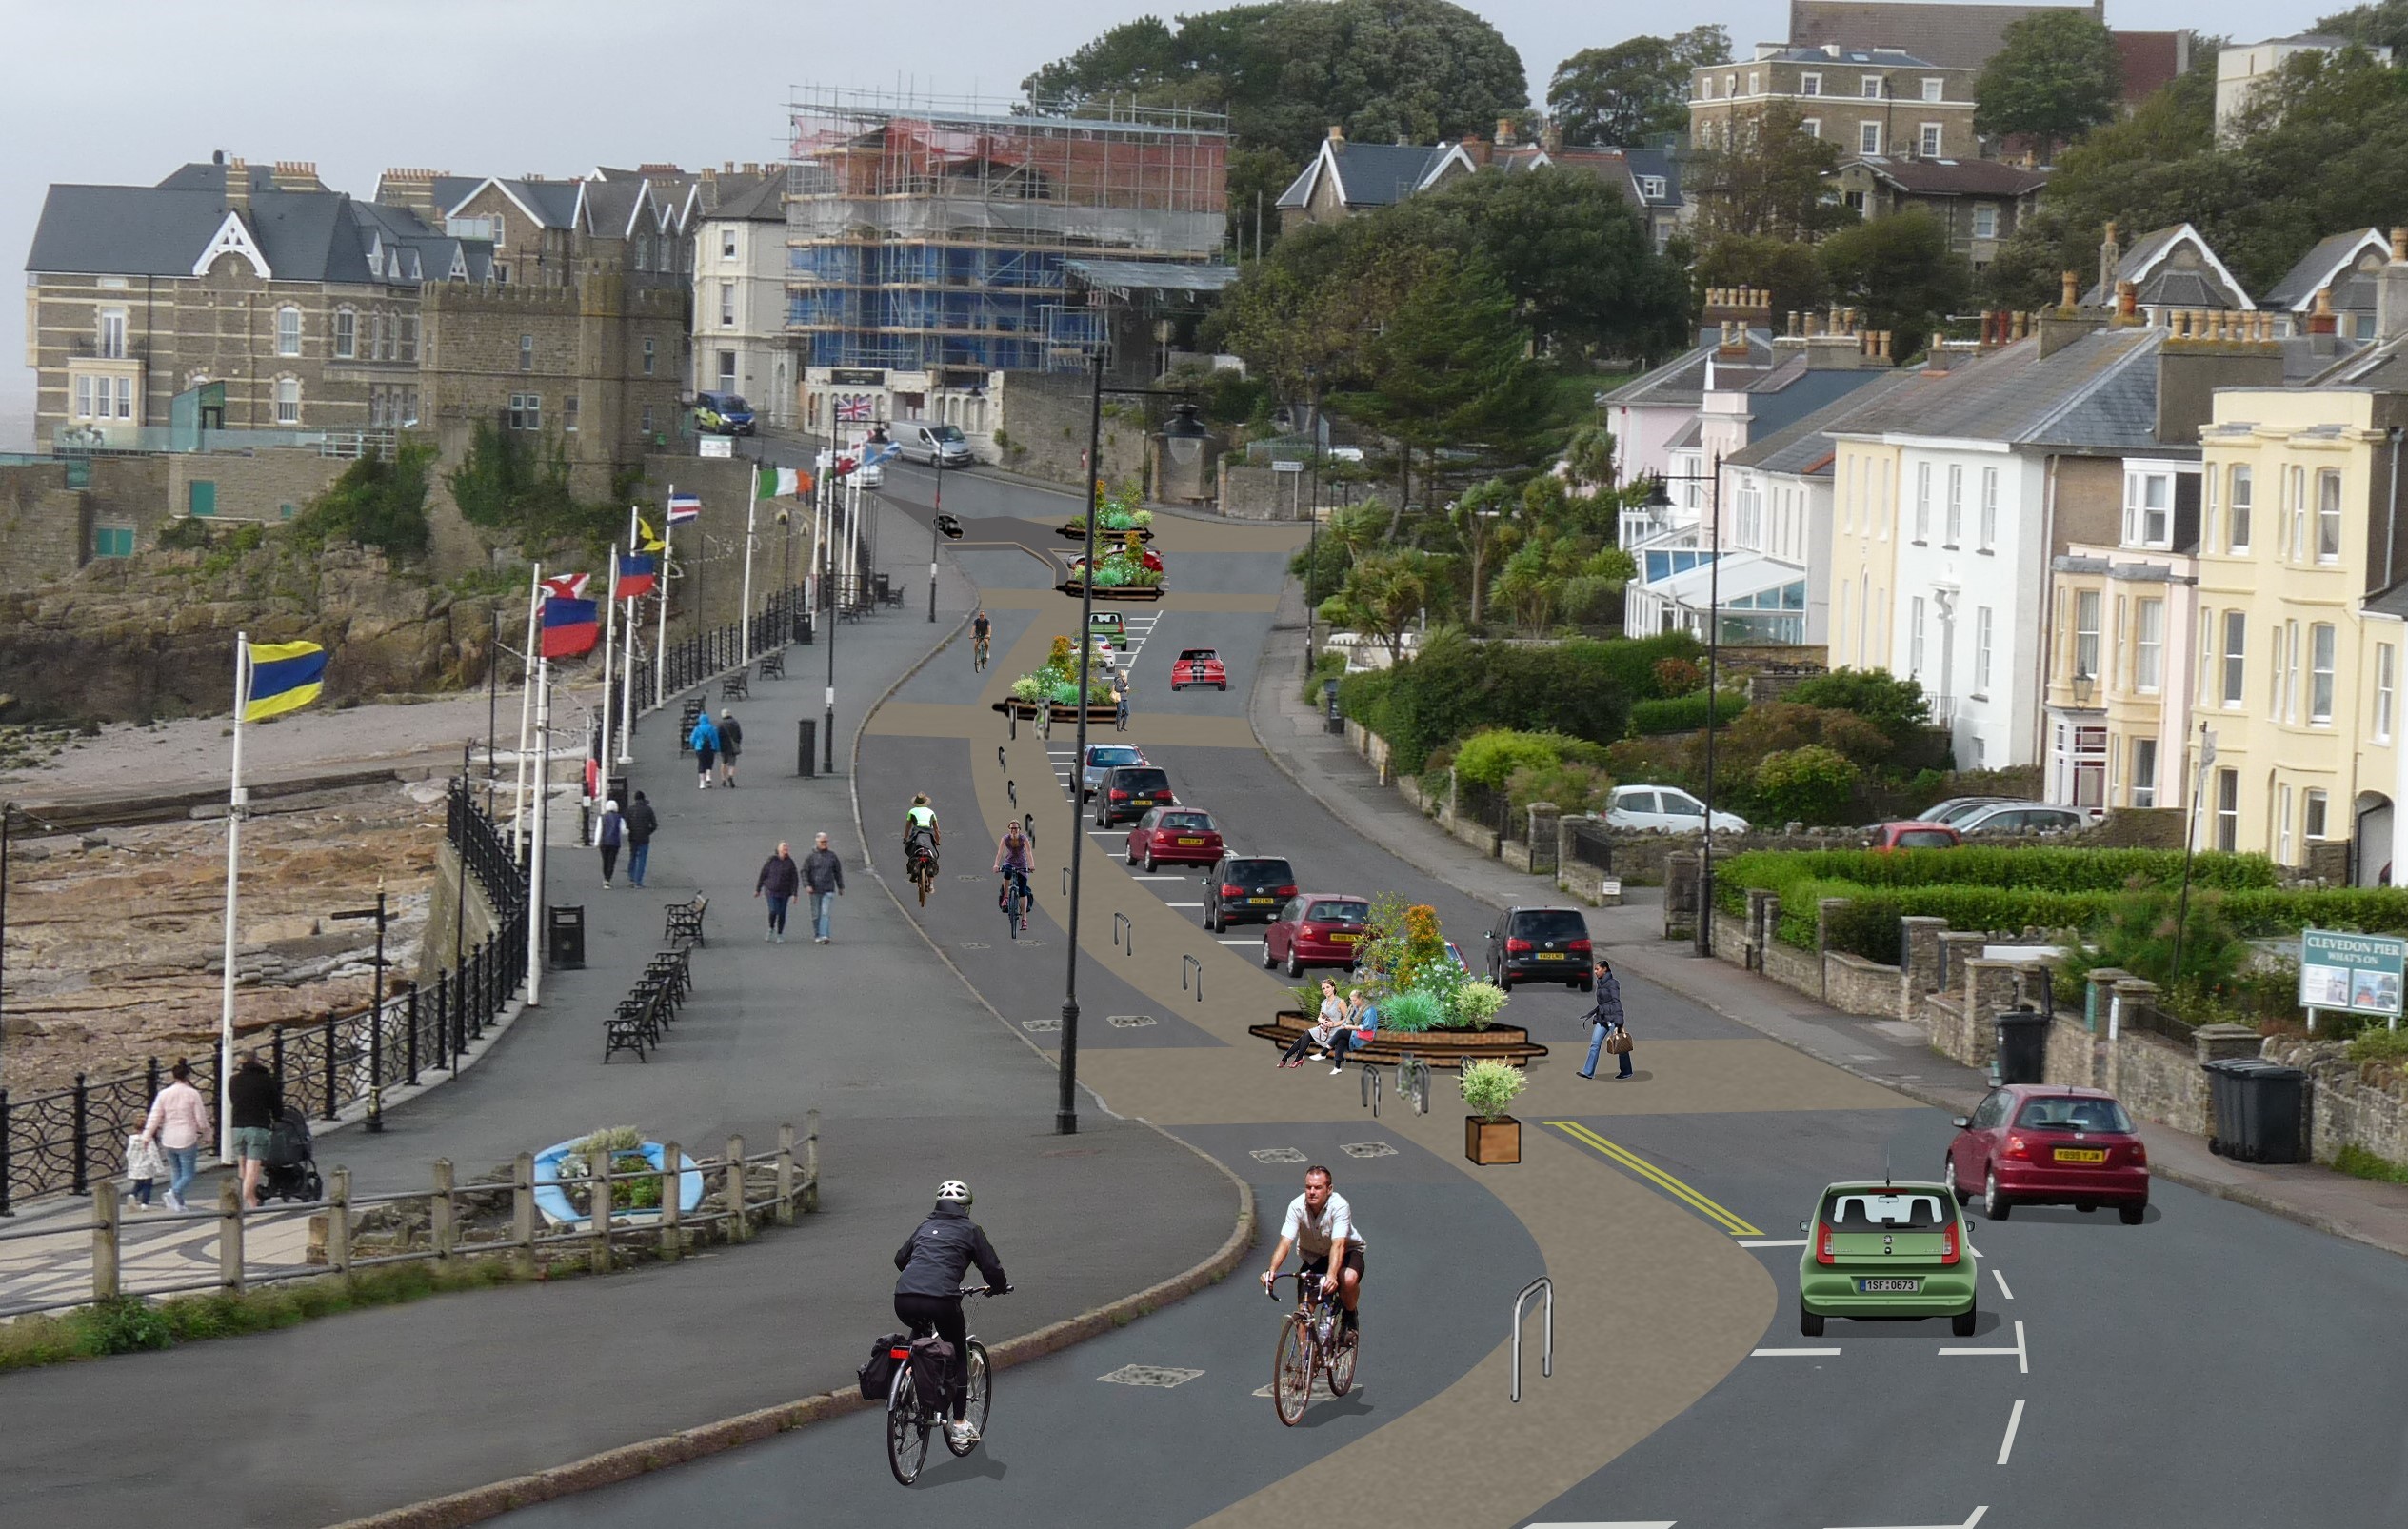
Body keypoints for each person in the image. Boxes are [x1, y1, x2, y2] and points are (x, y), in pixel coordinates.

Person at [893, 1180, 1010, 1450]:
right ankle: (958, 1425)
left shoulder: (924, 1227)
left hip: (904, 1298)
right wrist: (1000, 1287)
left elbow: (901, 1260)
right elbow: (991, 1268)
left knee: (917, 1337)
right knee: (958, 1353)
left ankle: (906, 1379)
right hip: (942, 1299)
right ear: (965, 1208)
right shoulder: (970, 1230)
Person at [1259, 1164, 1363, 1341]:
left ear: (1329, 1189)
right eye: (1308, 1187)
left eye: (1317, 1187)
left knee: (1348, 1278)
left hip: (1346, 1253)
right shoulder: (1296, 1206)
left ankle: (1350, 1316)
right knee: (1304, 1314)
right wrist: (1272, 1270)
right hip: (1315, 1258)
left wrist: (1331, 1275)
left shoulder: (1339, 1206)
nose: (1312, 1192)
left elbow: (1338, 1245)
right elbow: (1285, 1242)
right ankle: (1306, 1364)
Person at [141, 1059, 210, 1212]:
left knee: (175, 1171)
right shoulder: (192, 1094)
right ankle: (174, 1193)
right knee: (188, 1173)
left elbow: (155, 1116)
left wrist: (146, 1135)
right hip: (186, 1136)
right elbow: (201, 1119)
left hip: (168, 1136)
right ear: (188, 1075)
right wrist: (207, 1133)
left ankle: (178, 1203)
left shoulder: (163, 1094)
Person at [227, 1049, 281, 1209]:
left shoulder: (234, 1080)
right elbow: (275, 1104)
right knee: (253, 1166)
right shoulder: (265, 1080)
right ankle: (243, 1199)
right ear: (257, 1060)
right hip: (257, 1125)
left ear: (241, 1062)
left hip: (237, 1125)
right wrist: (277, 1117)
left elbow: (233, 1100)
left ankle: (251, 1200)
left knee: (242, 1164)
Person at [1579, 959, 1632, 1080]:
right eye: (1595, 969)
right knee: (1595, 1044)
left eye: (1597, 969)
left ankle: (1626, 1071)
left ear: (1605, 969)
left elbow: (1616, 1002)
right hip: (1602, 1018)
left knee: (1620, 1044)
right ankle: (1588, 1072)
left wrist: (1619, 1023)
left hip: (1613, 1018)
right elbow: (1604, 1002)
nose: (1595, 972)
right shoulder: (1600, 983)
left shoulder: (1613, 983)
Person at [1281, 978, 1348, 1067]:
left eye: (1328, 987)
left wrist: (1334, 1024)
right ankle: (1288, 1058)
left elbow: (1347, 1019)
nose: (1325, 990)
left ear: (1333, 988)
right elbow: (1319, 1017)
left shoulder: (1340, 1002)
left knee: (1306, 1034)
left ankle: (1290, 1059)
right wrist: (1322, 1021)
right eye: (1323, 988)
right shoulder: (1324, 1002)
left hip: (1334, 1032)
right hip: (1323, 1029)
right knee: (1306, 1034)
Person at [993, 817, 1035, 934]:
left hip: (1022, 864)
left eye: (1016, 828)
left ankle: (1024, 918)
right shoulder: (1005, 839)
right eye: (1012, 829)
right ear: (1009, 829)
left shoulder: (1023, 839)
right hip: (1009, 862)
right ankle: (1006, 897)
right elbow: (999, 852)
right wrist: (996, 865)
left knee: (1022, 891)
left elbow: (1028, 852)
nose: (1014, 830)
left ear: (1019, 829)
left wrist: (1031, 865)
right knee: (1006, 872)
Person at [803, 831, 846, 943]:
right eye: (822, 842)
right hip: (815, 890)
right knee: (816, 914)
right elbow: (804, 872)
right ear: (817, 842)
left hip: (828, 889)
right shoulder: (811, 857)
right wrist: (807, 885)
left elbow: (837, 872)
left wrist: (840, 886)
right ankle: (817, 934)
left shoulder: (832, 856)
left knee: (825, 913)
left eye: (826, 841)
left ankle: (824, 935)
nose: (824, 844)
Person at [756, 841, 801, 943]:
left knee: (782, 913)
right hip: (771, 891)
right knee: (773, 911)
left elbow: (794, 879)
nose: (786, 849)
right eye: (783, 847)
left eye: (786, 847)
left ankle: (780, 933)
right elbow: (763, 874)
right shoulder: (771, 861)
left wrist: (794, 894)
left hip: (784, 892)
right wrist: (758, 889)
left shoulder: (790, 862)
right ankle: (771, 927)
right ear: (779, 849)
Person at [1325, 990, 1378, 1074]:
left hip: (1365, 1034)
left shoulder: (1369, 1010)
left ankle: (1324, 1052)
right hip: (1353, 1031)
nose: (1353, 1002)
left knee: (1340, 1033)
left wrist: (1351, 1027)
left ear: (1361, 998)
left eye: (1355, 1000)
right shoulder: (1353, 1007)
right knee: (1340, 1040)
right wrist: (1345, 1025)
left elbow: (1368, 1027)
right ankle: (1337, 1067)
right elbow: (1347, 1020)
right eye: (1351, 1000)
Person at [623, 791, 659, 889]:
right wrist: (648, 832)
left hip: (633, 837)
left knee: (633, 857)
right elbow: (654, 825)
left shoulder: (630, 810)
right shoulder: (648, 810)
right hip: (644, 838)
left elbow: (626, 824)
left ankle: (631, 878)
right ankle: (638, 881)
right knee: (642, 859)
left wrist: (631, 830)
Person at [595, 798, 625, 888]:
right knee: (612, 861)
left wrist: (596, 842)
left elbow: (599, 830)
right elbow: (623, 830)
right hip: (615, 843)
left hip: (604, 842)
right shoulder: (620, 818)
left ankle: (605, 877)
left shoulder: (602, 817)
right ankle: (608, 879)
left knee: (605, 860)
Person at [689, 710, 721, 790]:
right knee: (709, 763)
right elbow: (716, 739)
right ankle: (708, 776)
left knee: (701, 764)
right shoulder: (712, 728)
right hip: (711, 748)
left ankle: (702, 783)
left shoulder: (697, 729)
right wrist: (717, 748)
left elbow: (692, 739)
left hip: (700, 748)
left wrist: (693, 745)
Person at [717, 708, 745, 787]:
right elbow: (739, 735)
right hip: (733, 746)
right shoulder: (735, 723)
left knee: (724, 762)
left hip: (724, 746)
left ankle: (723, 779)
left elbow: (718, 735)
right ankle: (730, 775)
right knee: (732, 763)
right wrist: (737, 742)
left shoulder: (721, 724)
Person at [971, 607, 992, 672]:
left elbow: (989, 628)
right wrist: (971, 634)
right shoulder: (976, 621)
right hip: (979, 635)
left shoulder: (987, 621)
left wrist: (989, 634)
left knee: (986, 641)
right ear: (979, 616)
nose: (981, 616)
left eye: (982, 615)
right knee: (976, 644)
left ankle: (987, 652)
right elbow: (973, 628)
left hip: (985, 634)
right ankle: (977, 656)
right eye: (980, 615)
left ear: (984, 615)